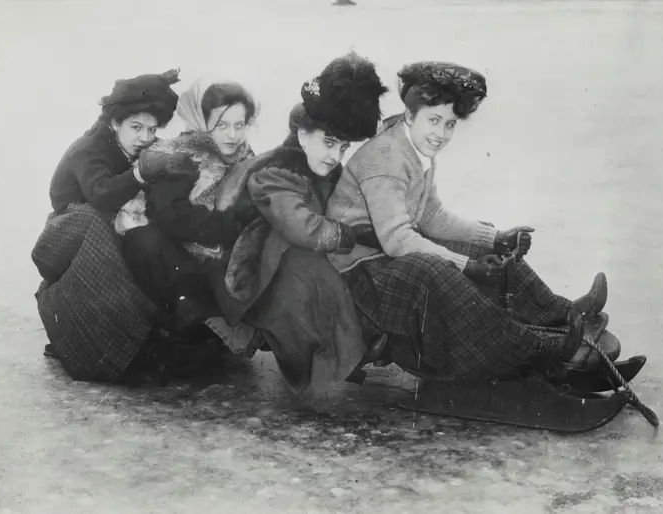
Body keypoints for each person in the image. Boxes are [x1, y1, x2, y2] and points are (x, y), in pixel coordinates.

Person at [323, 61, 611, 382]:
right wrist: (465, 266)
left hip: (381, 256)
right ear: (409, 116)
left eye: (449, 124)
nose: (441, 134)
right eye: (433, 121)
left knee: (469, 245)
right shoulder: (386, 158)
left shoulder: (415, 149)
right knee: (433, 270)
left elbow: (430, 215)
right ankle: (537, 348)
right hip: (358, 278)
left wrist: (493, 238)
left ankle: (562, 311)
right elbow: (397, 240)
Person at [211, 52, 389, 397]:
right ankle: (323, 358)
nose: (334, 156)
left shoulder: (325, 168)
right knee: (306, 268)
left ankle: (345, 348)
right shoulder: (276, 172)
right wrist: (347, 234)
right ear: (303, 133)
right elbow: (300, 227)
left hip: (284, 254)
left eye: (343, 147)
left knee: (330, 265)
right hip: (252, 269)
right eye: (328, 143)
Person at [32, 69, 199, 383]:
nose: (145, 138)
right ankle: (105, 344)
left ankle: (171, 326)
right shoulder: (88, 150)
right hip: (73, 239)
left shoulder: (139, 146)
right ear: (114, 123)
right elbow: (101, 194)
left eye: (152, 129)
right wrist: (140, 174)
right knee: (109, 235)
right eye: (136, 127)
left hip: (116, 231)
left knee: (156, 238)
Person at [115, 77, 260, 331]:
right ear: (203, 121)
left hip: (215, 254)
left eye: (239, 125)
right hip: (171, 256)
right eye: (222, 125)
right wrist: (233, 225)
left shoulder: (246, 159)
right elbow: (172, 217)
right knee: (146, 242)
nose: (233, 135)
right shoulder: (179, 156)